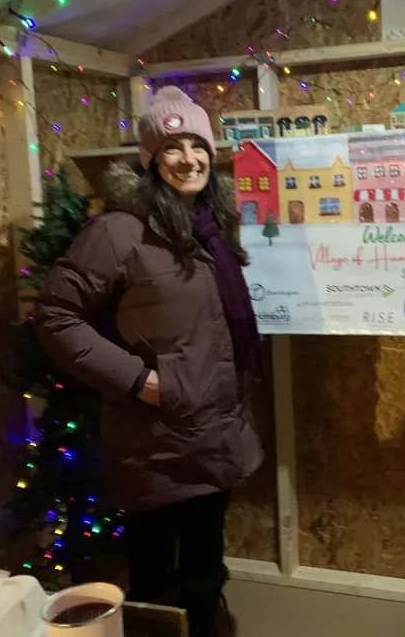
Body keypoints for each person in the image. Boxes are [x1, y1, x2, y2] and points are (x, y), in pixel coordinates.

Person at [33, 86, 263, 637]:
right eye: (173, 147)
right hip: (155, 440)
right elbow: (56, 318)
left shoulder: (212, 228)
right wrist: (142, 381)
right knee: (157, 586)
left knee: (207, 572)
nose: (189, 158)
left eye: (197, 144)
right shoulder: (119, 231)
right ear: (150, 160)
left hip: (215, 433)